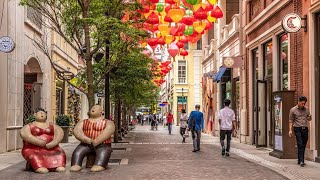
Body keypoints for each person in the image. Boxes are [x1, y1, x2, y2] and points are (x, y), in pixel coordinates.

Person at [20, 108, 66, 173]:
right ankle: (39, 166)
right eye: (40, 113)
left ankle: (59, 165)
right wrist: (38, 142)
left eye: (44, 113)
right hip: (33, 148)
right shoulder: (29, 126)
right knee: (34, 155)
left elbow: (60, 133)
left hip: (52, 148)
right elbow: (25, 134)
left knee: (60, 152)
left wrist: (53, 143)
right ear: (35, 114)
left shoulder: (52, 125)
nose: (42, 114)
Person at [70, 105, 115, 172]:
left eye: (96, 108)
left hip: (103, 145)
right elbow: (77, 131)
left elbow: (109, 130)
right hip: (85, 144)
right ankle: (76, 164)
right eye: (92, 107)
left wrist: (97, 141)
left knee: (104, 152)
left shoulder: (107, 122)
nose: (93, 108)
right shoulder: (83, 122)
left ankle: (100, 164)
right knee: (77, 152)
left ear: (101, 112)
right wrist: (85, 139)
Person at [289, 96, 311, 167]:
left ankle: (299, 159)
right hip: (297, 128)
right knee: (300, 143)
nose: (303, 105)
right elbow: (291, 121)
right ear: (298, 102)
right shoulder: (293, 110)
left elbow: (309, 119)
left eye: (304, 103)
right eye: (302, 103)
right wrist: (290, 130)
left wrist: (309, 117)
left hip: (305, 129)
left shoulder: (307, 109)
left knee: (304, 144)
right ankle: (302, 160)